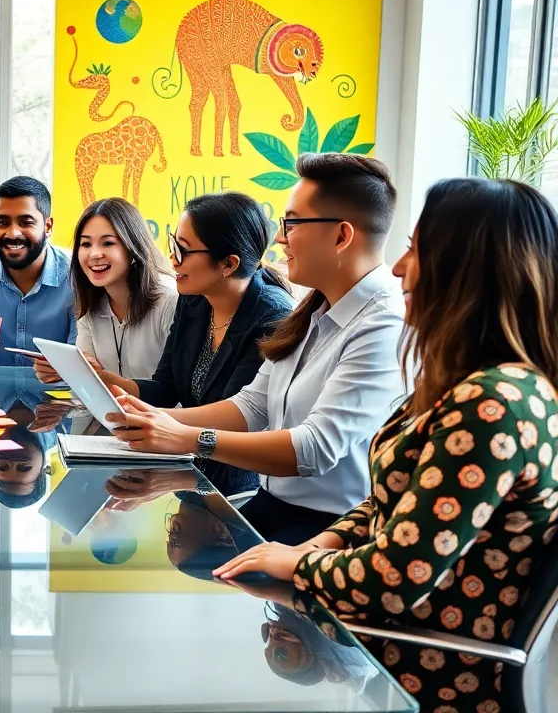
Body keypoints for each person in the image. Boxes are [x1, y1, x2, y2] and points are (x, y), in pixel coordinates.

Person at [215, 177, 558, 713]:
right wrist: (316, 547)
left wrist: (297, 568)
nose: (398, 268)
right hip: (388, 655)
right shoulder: (463, 383)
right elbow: (386, 502)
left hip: (432, 677)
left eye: (415, 252)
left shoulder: (493, 403)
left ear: (468, 271)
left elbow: (397, 579)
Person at [109, 154, 405, 544]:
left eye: (292, 223)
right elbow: (253, 405)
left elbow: (314, 448)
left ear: (341, 236)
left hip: (332, 527)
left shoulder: (383, 322)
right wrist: (155, 420)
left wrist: (186, 437)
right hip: (272, 504)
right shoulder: (314, 306)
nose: (280, 238)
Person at [85, 192, 293, 496]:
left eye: (183, 251)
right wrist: (112, 384)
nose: (172, 259)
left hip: (236, 487)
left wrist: (151, 418)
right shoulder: (193, 300)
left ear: (227, 264)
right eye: (173, 244)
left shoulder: (272, 316)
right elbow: (166, 386)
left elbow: (239, 418)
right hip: (185, 467)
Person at [35, 197, 177, 383]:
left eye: (108, 243)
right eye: (86, 244)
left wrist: (98, 375)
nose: (94, 254)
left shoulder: (169, 299)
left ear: (133, 247)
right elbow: (89, 379)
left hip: (163, 412)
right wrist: (63, 371)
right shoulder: (90, 303)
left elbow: (174, 389)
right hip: (111, 411)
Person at [0, 176, 76, 368]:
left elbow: (80, 359)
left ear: (48, 226)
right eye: (2, 222)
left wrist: (65, 368)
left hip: (56, 395)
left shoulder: (76, 274)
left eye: (25, 222)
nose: (12, 233)